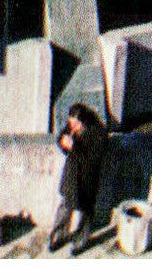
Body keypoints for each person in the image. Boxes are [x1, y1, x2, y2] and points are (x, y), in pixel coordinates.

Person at [49, 104, 107, 253]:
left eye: (76, 123)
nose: (72, 127)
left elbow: (93, 159)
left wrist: (74, 147)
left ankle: (81, 240)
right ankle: (59, 235)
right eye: (70, 123)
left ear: (84, 121)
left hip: (87, 179)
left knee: (85, 210)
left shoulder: (98, 133)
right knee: (64, 207)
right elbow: (62, 137)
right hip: (72, 175)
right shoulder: (71, 126)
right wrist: (62, 142)